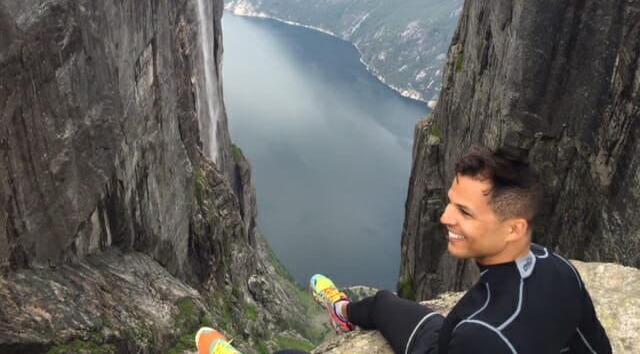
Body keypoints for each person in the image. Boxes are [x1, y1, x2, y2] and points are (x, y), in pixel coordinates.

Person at [196, 146, 613, 354]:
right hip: (450, 339)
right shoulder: (559, 270)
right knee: (380, 304)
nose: (445, 218)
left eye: (464, 211)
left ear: (513, 228)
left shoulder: (481, 337)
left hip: (451, 345)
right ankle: (343, 314)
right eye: (450, 202)